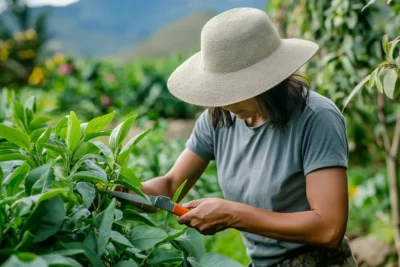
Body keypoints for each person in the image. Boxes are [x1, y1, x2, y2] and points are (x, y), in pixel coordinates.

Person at [119, 7, 358, 267]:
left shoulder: (316, 118)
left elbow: (328, 228)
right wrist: (125, 191)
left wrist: (233, 214)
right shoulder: (218, 120)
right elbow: (170, 185)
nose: (227, 104)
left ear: (269, 80)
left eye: (236, 89)